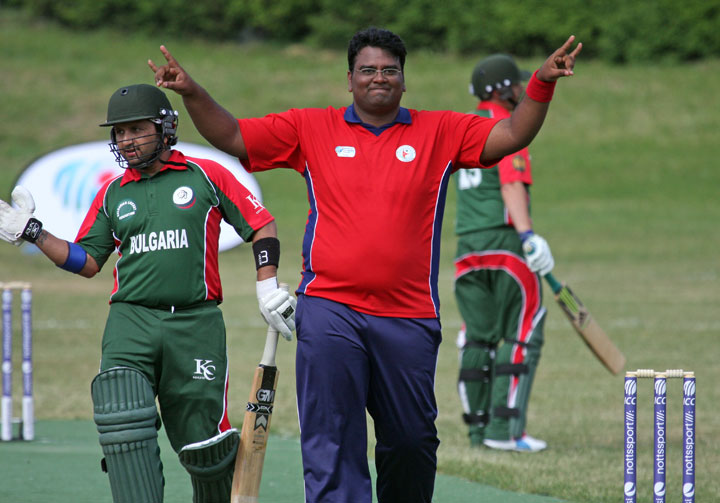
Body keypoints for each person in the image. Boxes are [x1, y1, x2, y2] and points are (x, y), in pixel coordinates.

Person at [148, 27, 581, 503]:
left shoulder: (441, 131)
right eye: (369, 70)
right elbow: (232, 135)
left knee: (412, 441)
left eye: (390, 70)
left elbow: (513, 133)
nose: (380, 78)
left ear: (403, 79)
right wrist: (191, 91)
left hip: (409, 315)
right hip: (330, 308)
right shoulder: (310, 127)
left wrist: (540, 82)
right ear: (350, 78)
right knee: (332, 438)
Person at [0, 84, 296, 503]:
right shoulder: (113, 193)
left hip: (196, 322)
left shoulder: (206, 177)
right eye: (119, 133)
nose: (126, 140)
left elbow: (261, 224)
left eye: (136, 129)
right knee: (122, 421)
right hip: (131, 321)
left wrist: (266, 285)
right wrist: (32, 232)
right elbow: (87, 261)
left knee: (206, 450)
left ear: (166, 128)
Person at [453, 54, 555, 453]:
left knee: (478, 338)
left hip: (467, 249)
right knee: (522, 333)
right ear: (501, 90)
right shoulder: (511, 128)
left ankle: (478, 431)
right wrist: (528, 235)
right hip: (506, 246)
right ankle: (504, 431)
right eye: (516, 85)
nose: (520, 90)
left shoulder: (464, 127)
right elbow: (511, 184)